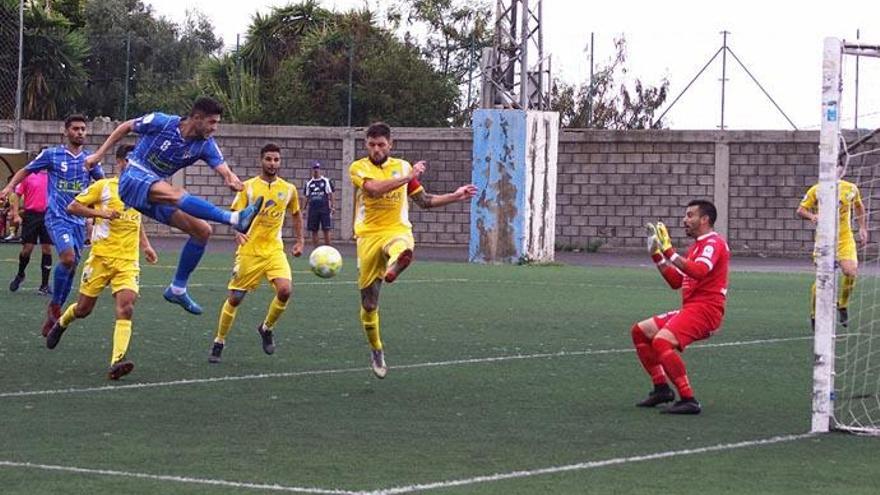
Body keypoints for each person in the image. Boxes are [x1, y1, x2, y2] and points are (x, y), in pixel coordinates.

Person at [83, 97, 263, 316]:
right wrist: (99, 154)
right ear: (196, 118)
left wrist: (230, 178)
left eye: (217, 123)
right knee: (177, 193)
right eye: (212, 122)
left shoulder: (205, 145)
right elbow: (126, 126)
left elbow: (223, 167)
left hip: (154, 191)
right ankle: (234, 219)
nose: (215, 128)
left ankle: (177, 288)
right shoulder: (163, 122)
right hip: (134, 176)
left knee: (202, 231)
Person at [349, 122, 477, 379]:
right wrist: (407, 177)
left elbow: (424, 201)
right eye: (372, 144)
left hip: (396, 229)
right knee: (369, 303)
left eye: (381, 145)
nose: (376, 149)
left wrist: (455, 196)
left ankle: (397, 263)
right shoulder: (358, 167)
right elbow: (373, 191)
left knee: (402, 246)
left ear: (390, 144)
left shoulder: (402, 166)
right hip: (367, 236)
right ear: (366, 145)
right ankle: (376, 349)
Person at [45, 144, 158, 380]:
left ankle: (117, 361)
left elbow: (135, 221)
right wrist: (102, 214)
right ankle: (62, 323)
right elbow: (73, 206)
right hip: (101, 259)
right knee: (84, 309)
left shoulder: (139, 191)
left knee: (126, 307)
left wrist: (145, 245)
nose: (133, 166)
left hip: (127, 262)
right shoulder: (104, 187)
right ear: (119, 162)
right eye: (129, 161)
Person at [0, 115, 106, 336]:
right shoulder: (52, 155)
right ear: (65, 131)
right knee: (67, 259)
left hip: (78, 221)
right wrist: (10, 187)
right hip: (56, 217)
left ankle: (54, 308)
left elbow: (102, 187)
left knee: (72, 266)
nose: (80, 132)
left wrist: (101, 212)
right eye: (75, 129)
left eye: (83, 129)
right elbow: (25, 171)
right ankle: (55, 306)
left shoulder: (90, 160)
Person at [209, 143, 304, 363]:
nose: (273, 164)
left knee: (285, 290)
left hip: (274, 251)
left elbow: (297, 214)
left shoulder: (288, 189)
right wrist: (237, 233)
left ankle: (266, 327)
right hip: (249, 250)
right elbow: (234, 214)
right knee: (235, 298)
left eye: (276, 160)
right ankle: (219, 341)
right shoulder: (248, 187)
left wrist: (300, 241)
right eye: (269, 159)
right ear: (261, 160)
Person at [635, 200, 730, 414]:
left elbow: (699, 271)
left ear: (704, 219)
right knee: (640, 332)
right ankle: (661, 389)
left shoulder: (712, 243)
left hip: (706, 311)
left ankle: (689, 400)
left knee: (661, 342)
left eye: (690, 215)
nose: (685, 220)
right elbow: (677, 282)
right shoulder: (697, 246)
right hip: (692, 309)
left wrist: (669, 252)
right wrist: (657, 255)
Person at [796, 168, 867, 329]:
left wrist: (862, 228)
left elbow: (859, 207)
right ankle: (814, 315)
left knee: (850, 271)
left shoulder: (850, 188)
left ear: (842, 170)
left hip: (844, 239)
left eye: (838, 167)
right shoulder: (817, 189)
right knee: (822, 279)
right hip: (824, 240)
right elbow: (801, 210)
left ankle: (842, 305)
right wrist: (813, 216)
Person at [8, 168, 53, 295]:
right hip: (31, 216)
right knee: (27, 249)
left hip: (48, 215)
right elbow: (17, 194)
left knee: (47, 248)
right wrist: (16, 214)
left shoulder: (53, 176)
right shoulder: (29, 175)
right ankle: (20, 274)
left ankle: (44, 285)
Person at [303, 161, 335, 246]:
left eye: (317, 168)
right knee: (314, 230)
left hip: (324, 209)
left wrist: (332, 206)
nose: (316, 170)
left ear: (320, 169)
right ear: (311, 170)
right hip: (313, 210)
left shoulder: (326, 181)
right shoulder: (309, 183)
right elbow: (306, 196)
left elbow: (330, 194)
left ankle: (328, 250)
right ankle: (316, 251)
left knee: (326, 229)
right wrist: (304, 209)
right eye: (314, 169)